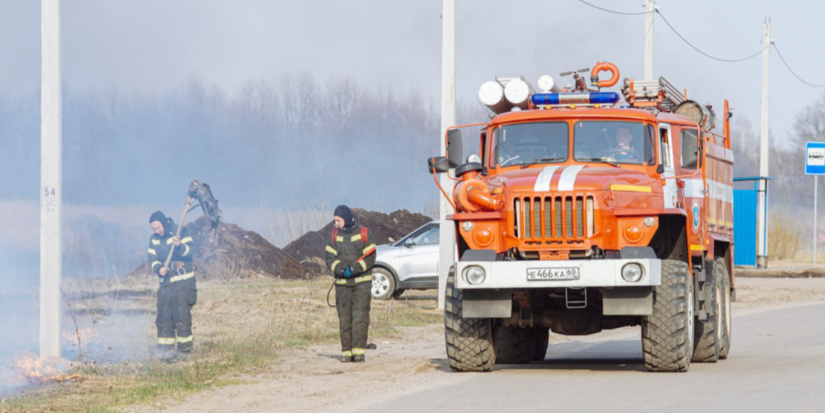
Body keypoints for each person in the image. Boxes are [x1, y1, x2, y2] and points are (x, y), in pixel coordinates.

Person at [324, 205, 376, 362]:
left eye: (338, 220)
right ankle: (346, 353)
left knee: (360, 317)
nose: (336, 224)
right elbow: (329, 258)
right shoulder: (334, 235)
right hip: (342, 285)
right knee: (344, 319)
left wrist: (353, 269)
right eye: (335, 221)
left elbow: (370, 258)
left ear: (346, 219)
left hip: (362, 284)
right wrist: (340, 269)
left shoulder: (365, 233)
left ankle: (359, 352)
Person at [147, 211, 197, 362]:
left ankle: (184, 351)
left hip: (183, 281)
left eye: (158, 227)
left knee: (181, 315)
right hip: (166, 283)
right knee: (164, 316)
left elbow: (191, 251)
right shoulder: (154, 239)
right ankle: (165, 351)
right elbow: (152, 258)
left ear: (163, 223)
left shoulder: (180, 231)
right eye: (154, 229)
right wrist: (158, 268)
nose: (157, 231)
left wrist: (179, 246)